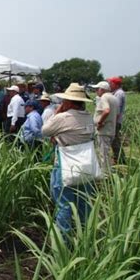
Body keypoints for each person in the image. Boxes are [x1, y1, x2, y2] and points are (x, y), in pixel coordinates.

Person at [42, 83, 95, 235]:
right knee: (84, 202)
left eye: (64, 101)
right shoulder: (89, 117)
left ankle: (63, 244)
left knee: (64, 204)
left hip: (66, 165)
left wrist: (58, 111)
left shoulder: (63, 117)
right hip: (86, 165)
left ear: (69, 102)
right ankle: (86, 236)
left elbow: (45, 130)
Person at [90, 81, 119, 173]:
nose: (96, 91)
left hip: (103, 131)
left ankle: (105, 174)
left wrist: (100, 122)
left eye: (97, 89)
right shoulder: (114, 98)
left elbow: (106, 111)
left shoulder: (104, 97)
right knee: (106, 152)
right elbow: (117, 114)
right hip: (111, 130)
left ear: (102, 90)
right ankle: (108, 171)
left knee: (103, 154)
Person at [108, 77, 126, 164]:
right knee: (115, 140)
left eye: (111, 83)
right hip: (115, 120)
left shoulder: (119, 94)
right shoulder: (116, 93)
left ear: (116, 84)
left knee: (115, 141)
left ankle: (119, 159)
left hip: (115, 121)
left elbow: (116, 110)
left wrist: (112, 121)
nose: (109, 85)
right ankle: (119, 158)